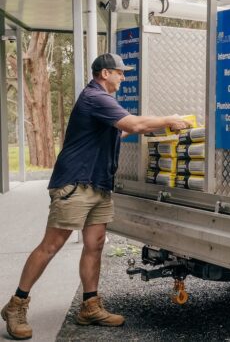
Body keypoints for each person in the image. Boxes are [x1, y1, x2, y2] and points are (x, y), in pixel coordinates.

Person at [1, 53, 192, 340]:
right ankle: (16, 305)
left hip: (99, 184)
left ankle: (90, 306)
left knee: (95, 244)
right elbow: (133, 125)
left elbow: (122, 131)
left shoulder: (104, 101)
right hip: (75, 183)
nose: (123, 77)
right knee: (51, 245)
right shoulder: (95, 97)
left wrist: (158, 126)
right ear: (104, 73)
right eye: (119, 72)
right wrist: (169, 119)